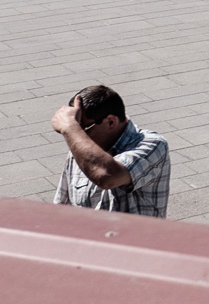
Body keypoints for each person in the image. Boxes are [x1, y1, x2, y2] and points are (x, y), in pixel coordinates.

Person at [50, 84, 170, 218]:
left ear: (111, 122)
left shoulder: (153, 145)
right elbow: (62, 205)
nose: (78, 136)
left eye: (83, 128)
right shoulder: (80, 147)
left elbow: (107, 177)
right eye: (77, 129)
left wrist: (71, 128)